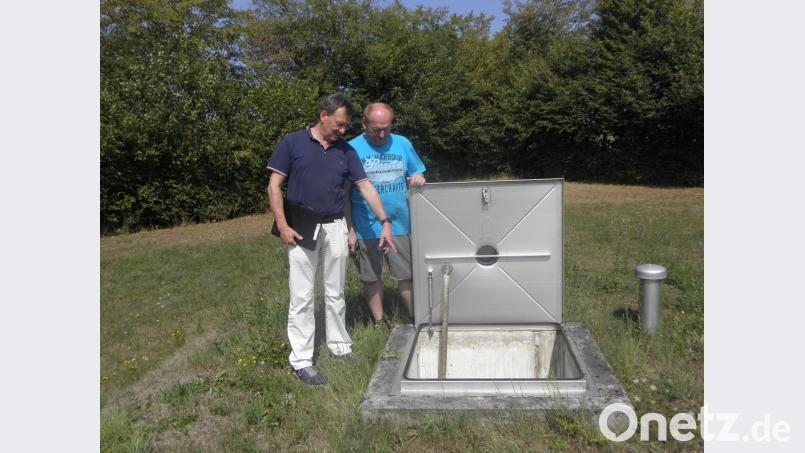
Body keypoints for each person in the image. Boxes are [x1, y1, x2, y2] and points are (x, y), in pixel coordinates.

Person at [266, 93, 397, 386]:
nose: (342, 130)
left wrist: (385, 221)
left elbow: (366, 187)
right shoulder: (293, 142)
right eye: (339, 124)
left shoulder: (346, 151)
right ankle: (301, 360)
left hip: (336, 226)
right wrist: (283, 226)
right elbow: (274, 186)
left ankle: (339, 345)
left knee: (335, 291)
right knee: (302, 295)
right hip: (301, 227)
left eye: (346, 125)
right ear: (323, 116)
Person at [345, 103, 426, 326]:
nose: (382, 135)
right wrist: (350, 229)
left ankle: (415, 318)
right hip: (366, 225)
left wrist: (418, 177)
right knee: (371, 277)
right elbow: (344, 193)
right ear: (364, 124)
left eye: (387, 129)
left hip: (401, 223)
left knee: (407, 274)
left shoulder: (402, 143)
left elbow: (417, 171)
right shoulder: (350, 149)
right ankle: (379, 322)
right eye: (376, 129)